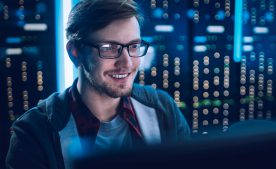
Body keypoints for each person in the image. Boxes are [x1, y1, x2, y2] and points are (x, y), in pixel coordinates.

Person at [6, 0, 190, 168]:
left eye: (133, 46)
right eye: (109, 48)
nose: (126, 63)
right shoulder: (34, 134)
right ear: (75, 52)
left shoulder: (162, 108)